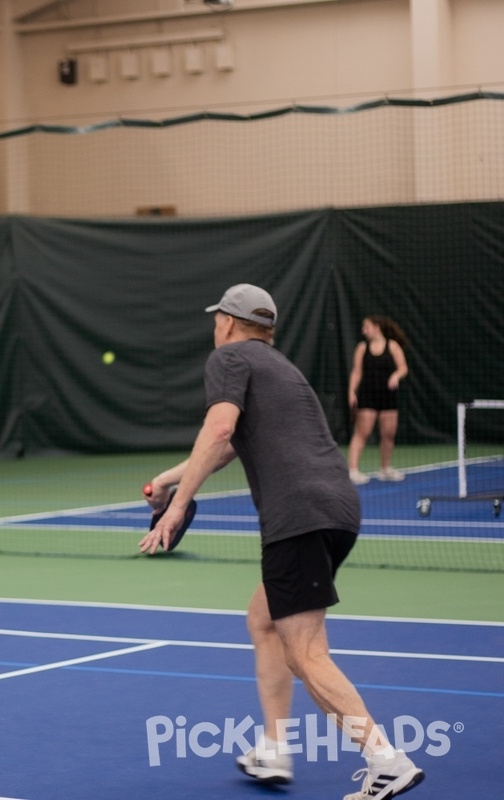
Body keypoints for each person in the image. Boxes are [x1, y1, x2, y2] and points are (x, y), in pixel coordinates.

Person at [139, 285, 424, 800]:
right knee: (264, 619)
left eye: (217, 319)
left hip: (297, 516)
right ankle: (274, 746)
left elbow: (220, 427)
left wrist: (178, 505)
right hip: (337, 510)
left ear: (227, 322)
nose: (215, 328)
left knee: (306, 652)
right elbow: (227, 445)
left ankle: (386, 759)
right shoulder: (280, 369)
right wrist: (169, 480)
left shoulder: (228, 358)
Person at [347, 316, 410, 484]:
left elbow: (403, 367)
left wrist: (396, 376)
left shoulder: (393, 346)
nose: (363, 330)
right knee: (362, 433)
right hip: (367, 396)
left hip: (388, 396)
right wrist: (351, 392)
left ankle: (385, 469)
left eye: (366, 326)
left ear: (376, 327)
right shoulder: (362, 348)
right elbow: (356, 372)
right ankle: (352, 470)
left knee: (388, 434)